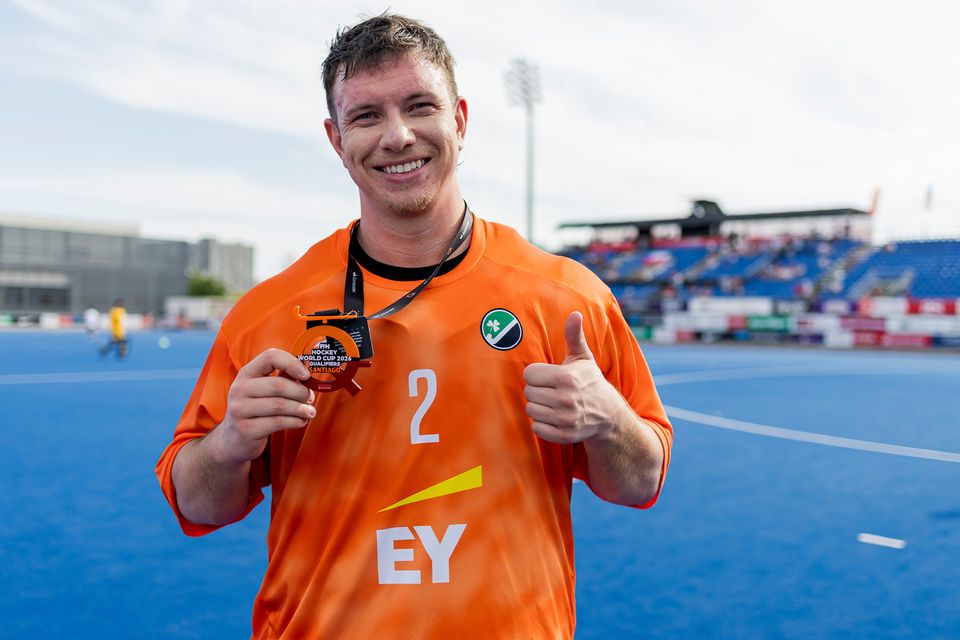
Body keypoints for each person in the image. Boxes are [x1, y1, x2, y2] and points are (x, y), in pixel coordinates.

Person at [156, 13, 672, 639]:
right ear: (334, 136)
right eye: (367, 115)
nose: (397, 136)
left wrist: (608, 419)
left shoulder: (566, 299)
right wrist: (233, 439)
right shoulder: (268, 314)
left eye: (419, 106)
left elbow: (640, 482)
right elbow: (196, 501)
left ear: (459, 118)